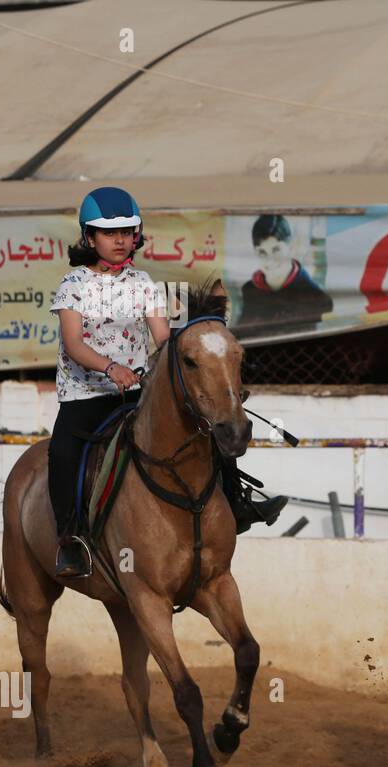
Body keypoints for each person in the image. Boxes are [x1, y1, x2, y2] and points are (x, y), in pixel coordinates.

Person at [48, 187, 287, 577]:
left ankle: (239, 504)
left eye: (127, 231)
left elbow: (163, 341)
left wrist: (204, 372)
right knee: (61, 455)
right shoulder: (73, 284)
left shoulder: (144, 283)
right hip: (85, 395)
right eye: (110, 233)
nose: (120, 239)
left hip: (139, 394)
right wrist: (110, 368)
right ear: (90, 238)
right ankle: (69, 539)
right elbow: (74, 343)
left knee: (205, 431)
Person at [238, 214, 333, 333]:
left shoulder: (316, 298)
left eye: (276, 250)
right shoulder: (249, 292)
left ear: (292, 248)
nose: (270, 260)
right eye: (262, 252)